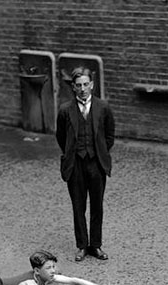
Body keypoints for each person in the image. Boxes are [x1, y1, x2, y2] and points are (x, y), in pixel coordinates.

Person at [56, 66, 115, 262]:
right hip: (75, 165)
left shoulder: (103, 107)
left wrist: (99, 153)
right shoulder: (65, 110)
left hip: (96, 164)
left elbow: (109, 136)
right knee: (78, 206)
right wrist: (73, 152)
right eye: (78, 85)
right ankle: (82, 245)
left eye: (86, 84)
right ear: (73, 87)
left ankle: (95, 246)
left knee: (97, 206)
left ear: (92, 85)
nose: (82, 89)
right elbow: (61, 137)